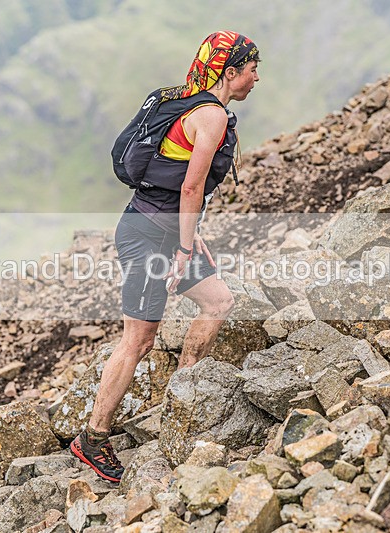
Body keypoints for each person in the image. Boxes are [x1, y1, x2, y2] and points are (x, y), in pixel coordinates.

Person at [70, 30, 260, 483]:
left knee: (218, 302)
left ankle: (183, 392)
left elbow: (180, 189)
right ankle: (93, 437)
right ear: (229, 72)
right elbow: (191, 186)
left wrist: (190, 238)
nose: (257, 79)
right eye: (252, 70)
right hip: (146, 237)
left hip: (165, 230)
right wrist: (184, 246)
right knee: (139, 339)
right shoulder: (210, 116)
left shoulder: (185, 101)